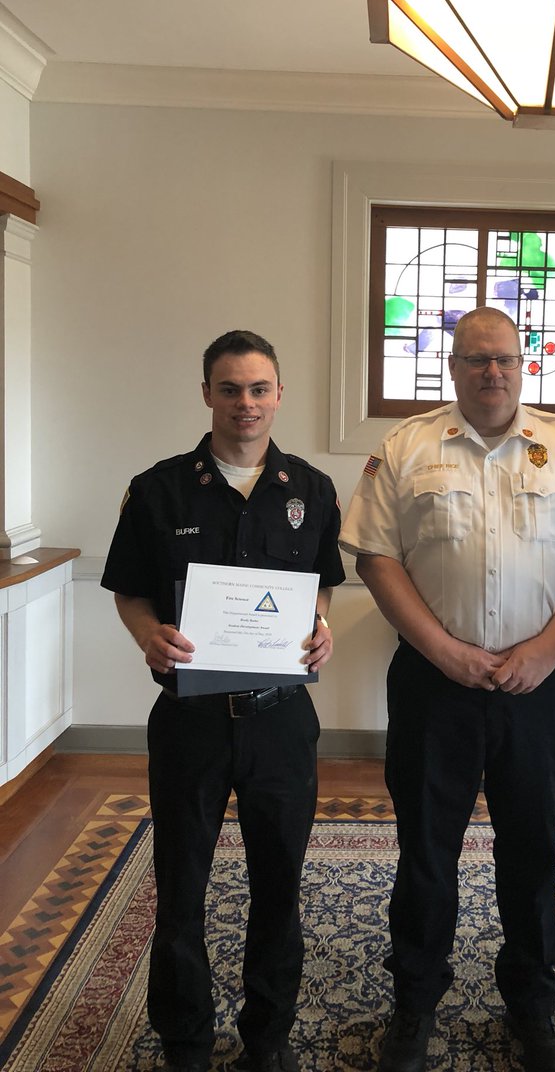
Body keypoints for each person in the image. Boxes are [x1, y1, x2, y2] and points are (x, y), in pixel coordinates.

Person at [339, 306, 555, 1072]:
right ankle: (415, 1004)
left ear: (524, 362)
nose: (491, 372)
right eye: (475, 360)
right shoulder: (406, 447)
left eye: (503, 359)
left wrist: (545, 649)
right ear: (454, 366)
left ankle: (532, 1007)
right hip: (437, 685)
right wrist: (442, 651)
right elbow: (375, 556)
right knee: (425, 850)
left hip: (539, 684)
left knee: (532, 849)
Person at [101, 330, 345, 1072]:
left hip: (280, 722)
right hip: (190, 720)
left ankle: (267, 1040)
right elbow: (131, 592)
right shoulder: (158, 489)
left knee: (279, 887)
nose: (246, 404)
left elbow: (320, 586)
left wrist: (321, 628)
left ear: (280, 394)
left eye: (260, 388)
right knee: (181, 890)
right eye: (231, 389)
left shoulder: (312, 489)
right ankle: (187, 1043)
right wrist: (148, 636)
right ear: (207, 393)